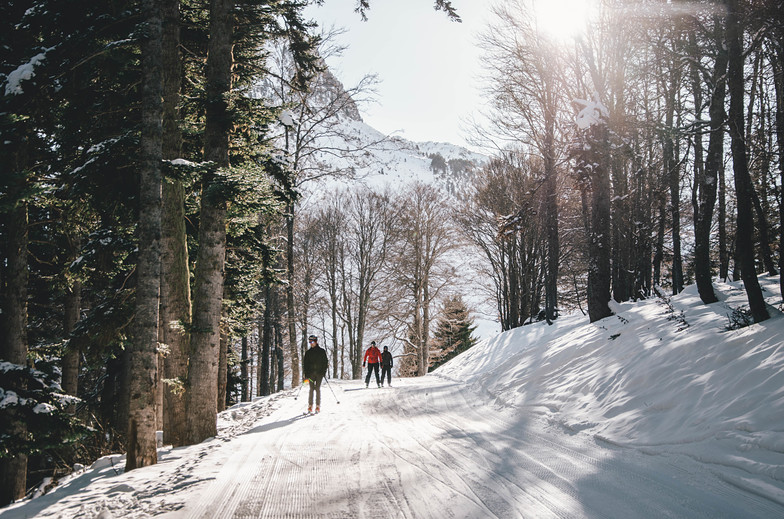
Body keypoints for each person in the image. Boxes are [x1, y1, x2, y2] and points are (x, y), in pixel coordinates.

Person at [302, 335, 328, 413]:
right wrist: (306, 375)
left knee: (317, 389)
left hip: (319, 374)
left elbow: (325, 362)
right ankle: (310, 406)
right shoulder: (308, 353)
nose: (311, 343)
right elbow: (305, 364)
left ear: (316, 342)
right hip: (311, 374)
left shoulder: (322, 351)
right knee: (311, 389)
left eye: (312, 341)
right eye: (309, 342)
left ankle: (317, 406)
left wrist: (323, 372)